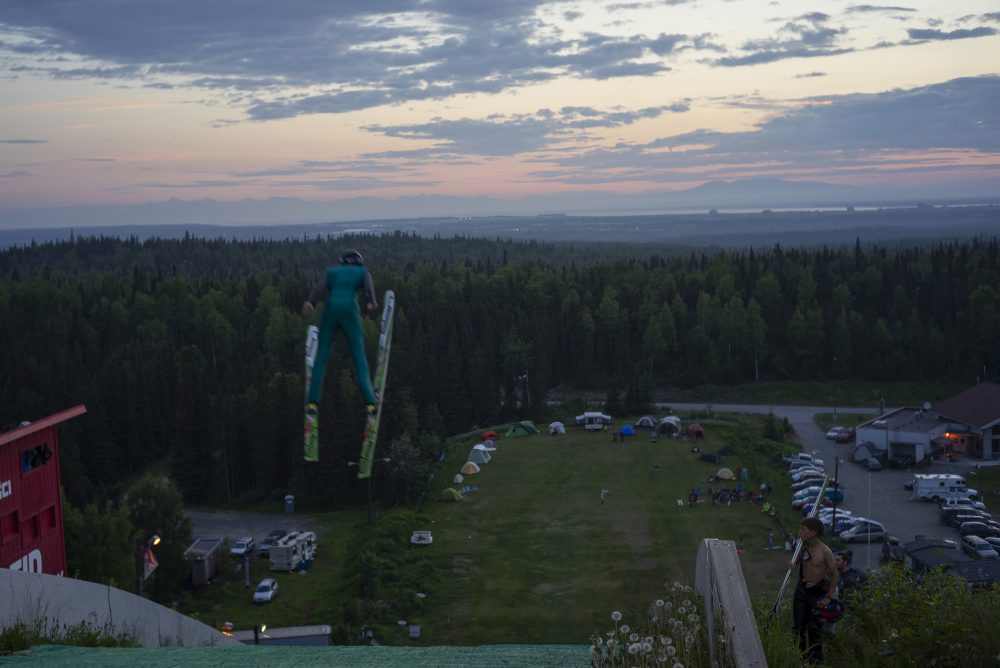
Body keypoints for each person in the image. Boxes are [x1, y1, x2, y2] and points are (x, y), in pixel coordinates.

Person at [303, 249, 379, 416]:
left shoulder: (331, 271)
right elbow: (368, 286)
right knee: (359, 356)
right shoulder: (363, 272)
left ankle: (312, 403)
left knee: (321, 356)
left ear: (343, 261)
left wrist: (311, 302)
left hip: (330, 310)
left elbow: (320, 288)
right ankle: (371, 402)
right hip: (350, 311)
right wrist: (371, 301)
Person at [791, 517, 840, 664]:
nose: (800, 532)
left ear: (813, 532)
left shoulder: (825, 551)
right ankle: (799, 659)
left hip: (816, 593)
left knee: (814, 630)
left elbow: (835, 574)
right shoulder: (802, 546)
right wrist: (791, 565)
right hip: (801, 591)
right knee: (798, 628)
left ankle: (816, 660)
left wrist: (829, 596)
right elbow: (796, 563)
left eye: (803, 530)